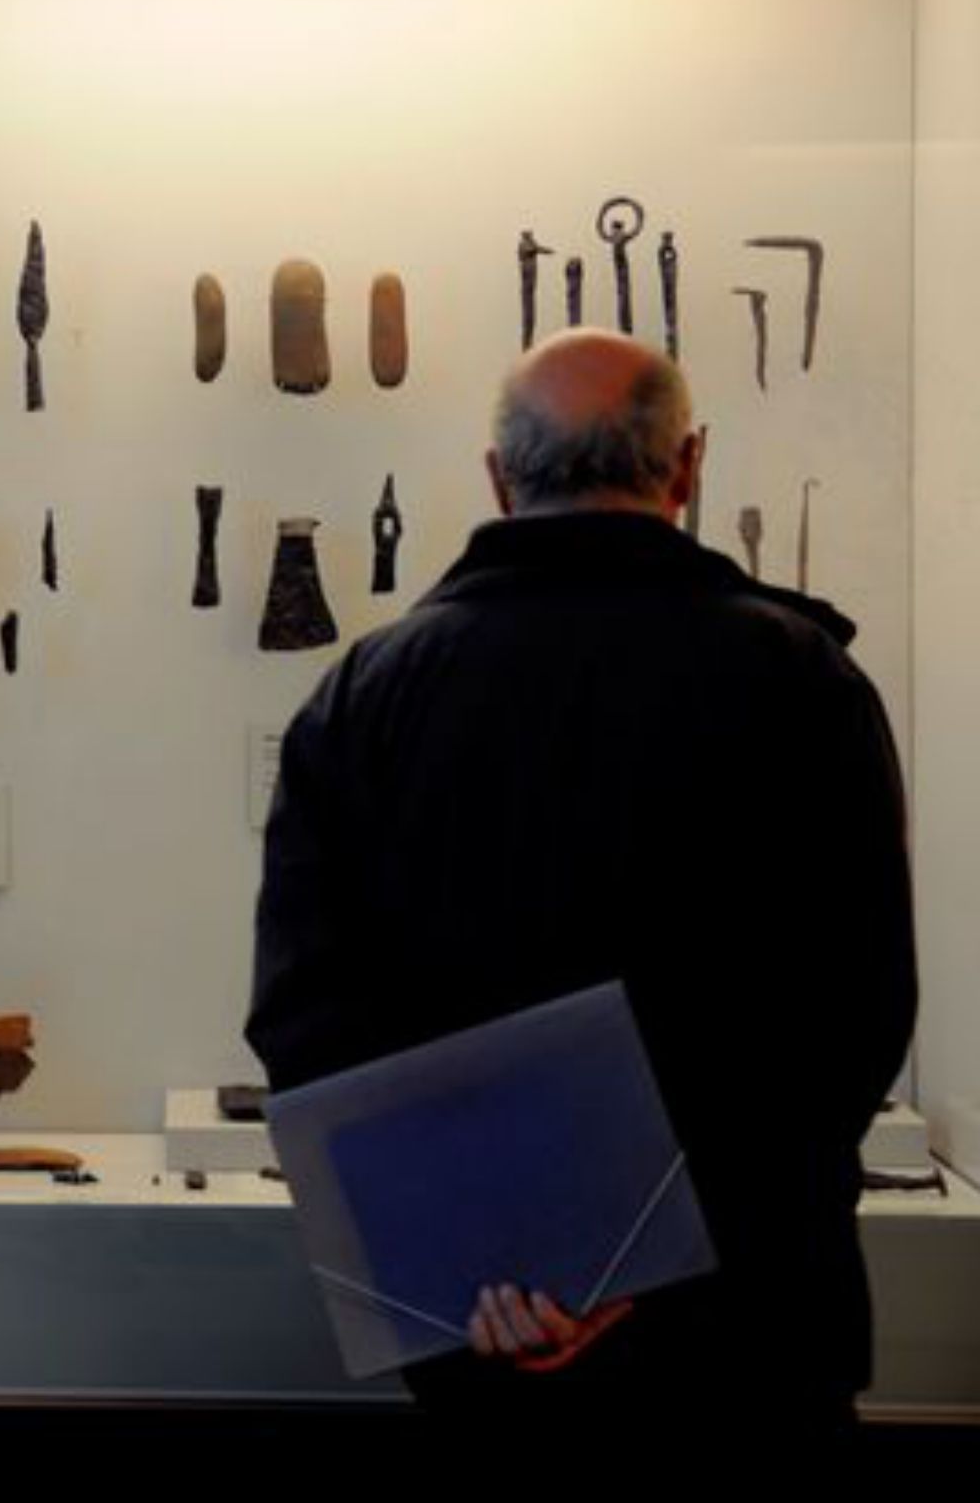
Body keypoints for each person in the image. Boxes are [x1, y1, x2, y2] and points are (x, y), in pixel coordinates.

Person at [244, 329, 917, 1441]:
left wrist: (504, 1260)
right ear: (687, 467)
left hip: (483, 1331)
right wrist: (643, 1261)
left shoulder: (366, 695)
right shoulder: (802, 678)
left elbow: (309, 1025)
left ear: (498, 479)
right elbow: (850, 1019)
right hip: (748, 1332)